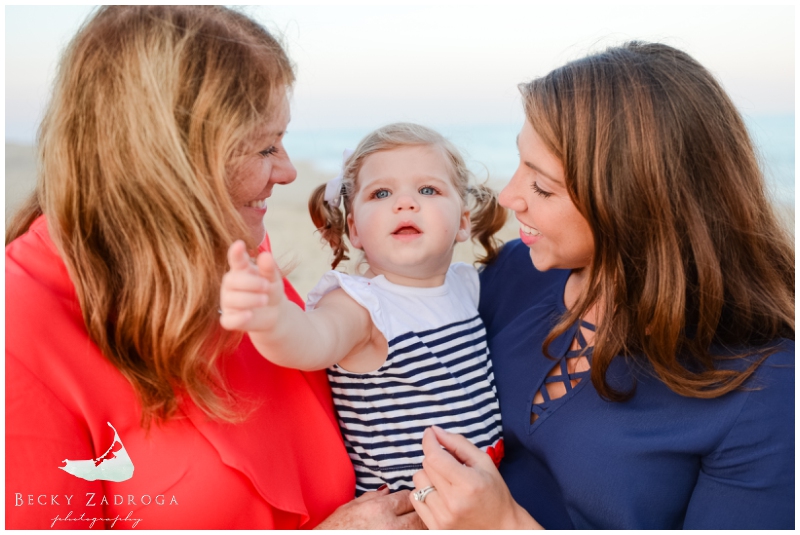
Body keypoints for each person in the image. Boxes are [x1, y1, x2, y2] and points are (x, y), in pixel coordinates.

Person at [5, 6, 422, 529]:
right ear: (172, 161)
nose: (289, 172)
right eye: (265, 147)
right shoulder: (20, 330)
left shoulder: (232, 247)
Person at [409, 42, 795, 529]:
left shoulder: (766, 389)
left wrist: (504, 526)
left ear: (636, 203)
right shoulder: (515, 273)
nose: (509, 197)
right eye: (520, 164)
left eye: (542, 187)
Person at [219, 123, 507, 496]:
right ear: (354, 230)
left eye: (428, 189)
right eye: (381, 193)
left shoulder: (467, 285)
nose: (405, 203)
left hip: (483, 499)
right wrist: (272, 318)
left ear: (463, 222)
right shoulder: (361, 303)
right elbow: (311, 341)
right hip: (408, 513)